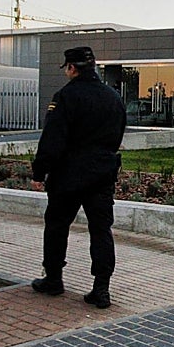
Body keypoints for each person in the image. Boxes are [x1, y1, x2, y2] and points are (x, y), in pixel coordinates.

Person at [30, 45, 127, 308]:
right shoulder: (113, 97)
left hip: (68, 175)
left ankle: (53, 279)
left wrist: (39, 172)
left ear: (71, 68)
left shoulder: (65, 97)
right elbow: (117, 135)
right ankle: (101, 289)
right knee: (101, 230)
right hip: (102, 175)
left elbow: (52, 139)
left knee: (57, 226)